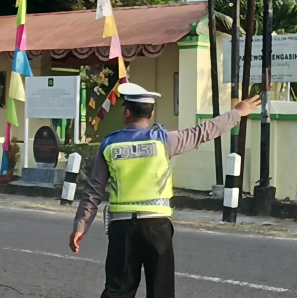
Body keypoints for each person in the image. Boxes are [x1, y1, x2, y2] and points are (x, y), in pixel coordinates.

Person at [69, 82, 261, 298]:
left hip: (121, 228)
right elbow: (204, 131)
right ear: (150, 113)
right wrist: (238, 112)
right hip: (157, 227)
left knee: (118, 291)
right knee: (161, 291)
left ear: (127, 112)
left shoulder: (109, 144)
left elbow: (93, 191)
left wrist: (81, 225)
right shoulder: (164, 140)